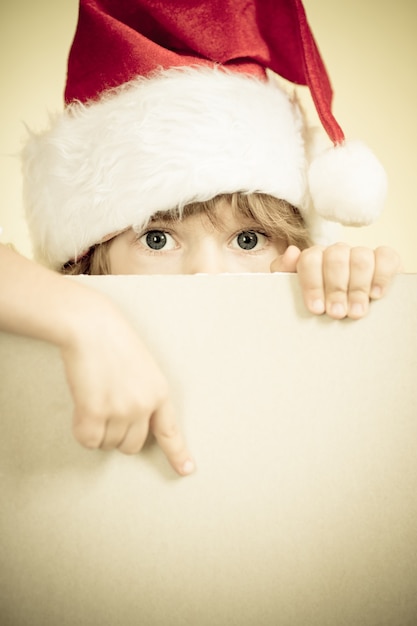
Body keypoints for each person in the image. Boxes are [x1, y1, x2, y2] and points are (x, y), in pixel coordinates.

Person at [1, 0, 401, 474]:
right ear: (88, 260)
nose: (206, 275)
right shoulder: (67, 327)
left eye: (249, 240)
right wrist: (83, 317)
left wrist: (342, 295)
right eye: (156, 240)